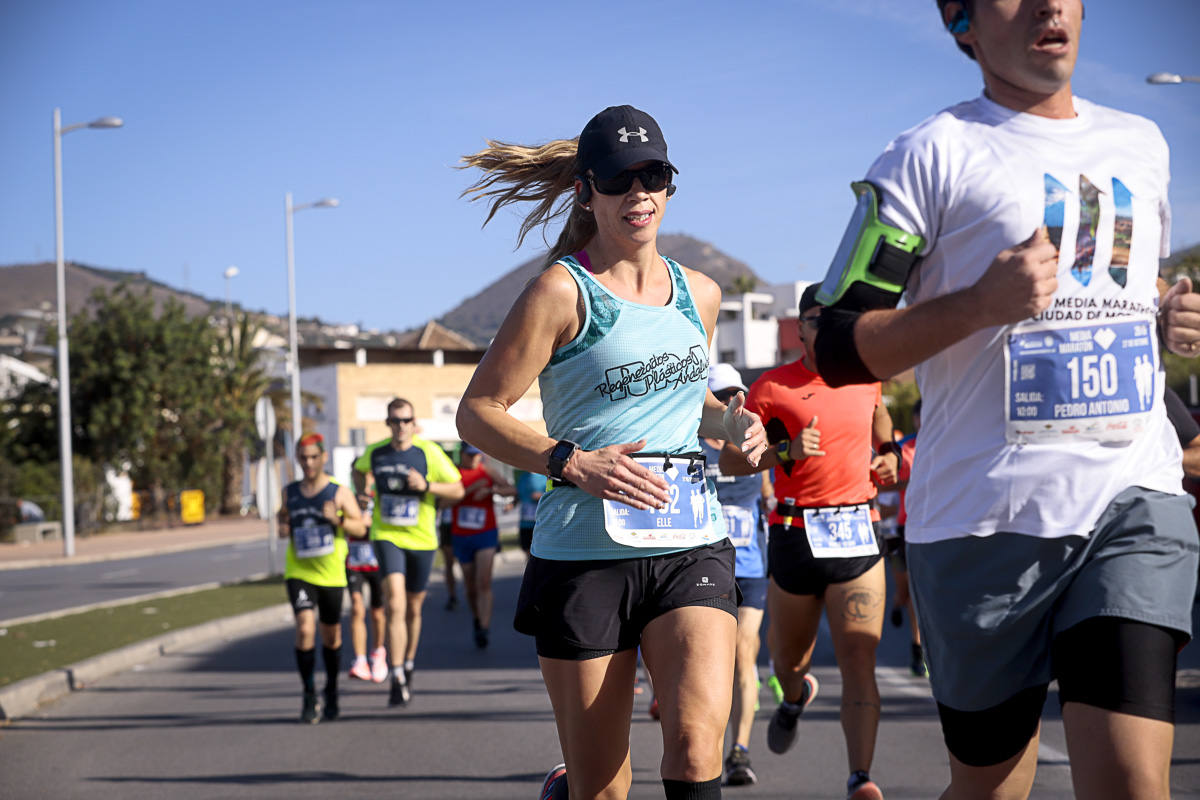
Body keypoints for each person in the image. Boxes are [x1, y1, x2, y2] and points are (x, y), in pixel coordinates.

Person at [809, 3, 1200, 797]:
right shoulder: (928, 156)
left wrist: (1166, 311)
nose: (1050, 6)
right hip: (982, 521)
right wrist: (977, 306)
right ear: (963, 25)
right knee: (992, 785)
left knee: (1132, 781)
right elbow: (830, 338)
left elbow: (1113, 278)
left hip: (1131, 498)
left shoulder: (1142, 144)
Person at [457, 104, 767, 800]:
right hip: (584, 554)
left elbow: (689, 402)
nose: (639, 195)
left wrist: (735, 428)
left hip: (691, 540)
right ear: (585, 190)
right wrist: (570, 460)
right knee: (603, 785)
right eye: (621, 180)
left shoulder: (701, 294)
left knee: (694, 749)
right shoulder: (561, 291)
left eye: (653, 176)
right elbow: (478, 413)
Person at [720, 284, 898, 800]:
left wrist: (886, 451)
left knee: (859, 659)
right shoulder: (771, 388)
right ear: (799, 327)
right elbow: (733, 461)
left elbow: (880, 412)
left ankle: (860, 777)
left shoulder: (866, 376)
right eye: (818, 319)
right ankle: (794, 698)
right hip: (795, 537)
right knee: (786, 662)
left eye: (839, 318)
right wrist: (786, 450)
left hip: (857, 536)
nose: (828, 327)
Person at [353, 398, 463, 706]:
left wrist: (426, 485)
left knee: (414, 609)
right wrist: (362, 490)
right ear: (388, 424)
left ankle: (408, 663)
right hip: (387, 535)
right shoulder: (375, 453)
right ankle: (397, 673)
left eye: (405, 420)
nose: (400, 426)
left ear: (413, 423)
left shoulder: (429, 453)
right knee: (396, 603)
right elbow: (358, 469)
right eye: (394, 421)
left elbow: (458, 489)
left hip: (423, 540)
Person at [701, 363, 773, 788]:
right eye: (721, 395)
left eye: (736, 394)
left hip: (750, 565)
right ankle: (705, 748)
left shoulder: (750, 445)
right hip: (705, 566)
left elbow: (766, 490)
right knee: (713, 663)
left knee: (745, 654)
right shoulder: (690, 444)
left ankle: (739, 750)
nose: (731, 403)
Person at [277, 432, 366, 723]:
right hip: (299, 571)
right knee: (304, 628)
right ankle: (308, 692)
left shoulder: (338, 492)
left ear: (323, 457)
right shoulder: (289, 492)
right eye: (303, 458)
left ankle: (332, 689)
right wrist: (283, 525)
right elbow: (283, 519)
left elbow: (361, 528)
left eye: (314, 457)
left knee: (331, 636)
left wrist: (338, 519)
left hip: (331, 574)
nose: (309, 463)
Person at [448, 443, 516, 648]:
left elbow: (511, 489)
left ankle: (484, 628)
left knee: (483, 582)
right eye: (470, 456)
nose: (475, 459)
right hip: (461, 534)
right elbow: (443, 502)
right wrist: (470, 490)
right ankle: (477, 617)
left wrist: (491, 490)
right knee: (470, 586)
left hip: (486, 533)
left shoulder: (487, 471)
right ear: (462, 455)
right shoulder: (453, 474)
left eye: (477, 455)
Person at [885, 398, 925, 678]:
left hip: (934, 529)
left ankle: (919, 651)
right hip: (903, 530)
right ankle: (897, 603)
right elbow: (886, 482)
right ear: (915, 419)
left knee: (921, 595)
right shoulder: (905, 448)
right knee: (906, 591)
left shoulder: (948, 443)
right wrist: (916, 482)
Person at [346, 488, 389, 683]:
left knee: (377, 612)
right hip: (355, 561)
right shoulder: (350, 501)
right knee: (356, 607)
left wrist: (373, 523)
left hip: (376, 562)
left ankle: (378, 653)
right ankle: (360, 660)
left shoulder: (380, 498)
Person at [515, 469, 545, 555]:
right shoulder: (523, 477)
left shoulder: (544, 477)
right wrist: (512, 504)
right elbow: (519, 495)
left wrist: (541, 495)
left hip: (540, 523)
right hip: (525, 523)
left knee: (540, 554)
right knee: (528, 553)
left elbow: (554, 495)